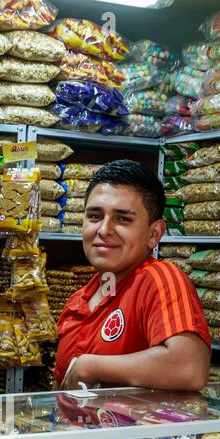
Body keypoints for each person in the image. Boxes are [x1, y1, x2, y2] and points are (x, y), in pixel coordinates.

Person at [54, 159, 210, 391]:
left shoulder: (159, 278)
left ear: (154, 233)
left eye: (123, 219)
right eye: (95, 216)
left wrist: (91, 366)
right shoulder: (78, 301)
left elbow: (188, 368)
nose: (104, 230)